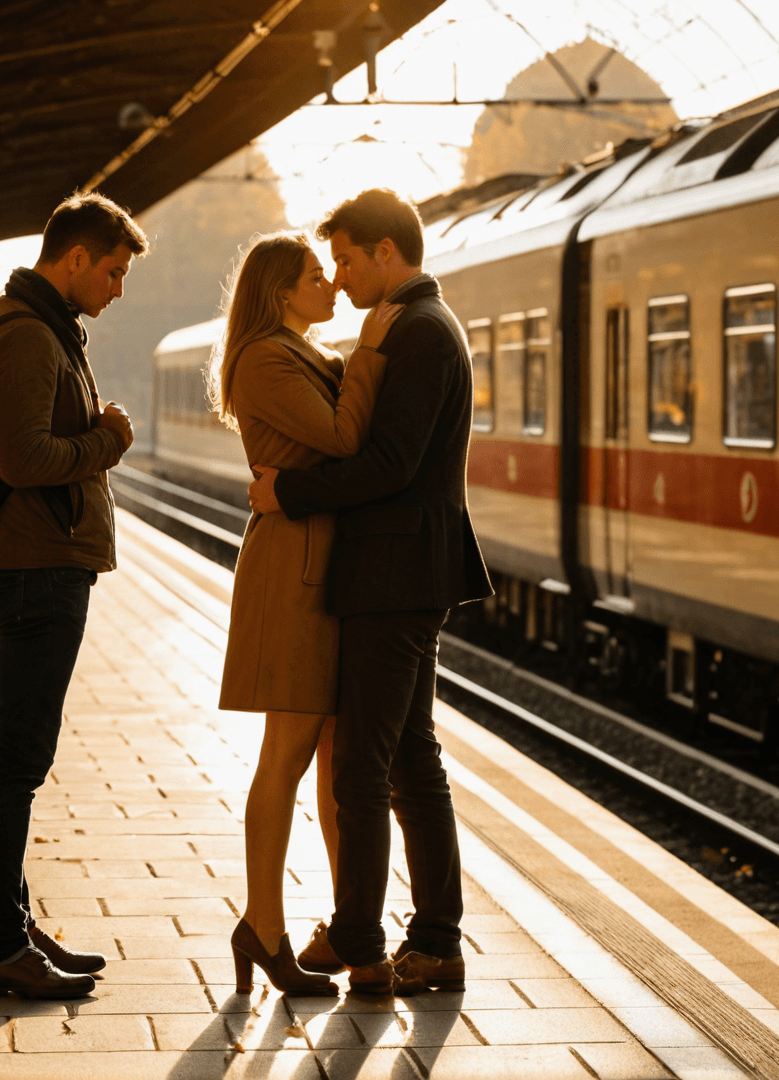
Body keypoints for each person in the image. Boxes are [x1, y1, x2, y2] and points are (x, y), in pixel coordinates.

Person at [248, 189, 493, 995]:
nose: (343, 276)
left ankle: (365, 934)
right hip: (406, 569)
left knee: (363, 763)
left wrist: (293, 492)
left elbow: (386, 463)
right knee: (412, 761)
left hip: (394, 574)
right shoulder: (418, 326)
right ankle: (436, 941)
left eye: (348, 259)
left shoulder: (418, 333)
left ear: (387, 253)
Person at [0, 192, 145, 999]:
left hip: (42, 559)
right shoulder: (30, 337)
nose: (117, 287)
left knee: (18, 753)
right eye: (112, 270)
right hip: (36, 565)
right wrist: (108, 440)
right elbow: (26, 456)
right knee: (19, 755)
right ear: (72, 258)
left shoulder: (40, 326)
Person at [211, 233, 397, 996]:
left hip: (320, 562)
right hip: (294, 568)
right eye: (318, 276)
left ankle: (342, 926)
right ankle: (263, 926)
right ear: (283, 291)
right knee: (286, 753)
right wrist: (373, 353)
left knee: (326, 756)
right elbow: (343, 436)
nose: (332, 284)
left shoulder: (301, 355)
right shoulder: (265, 358)